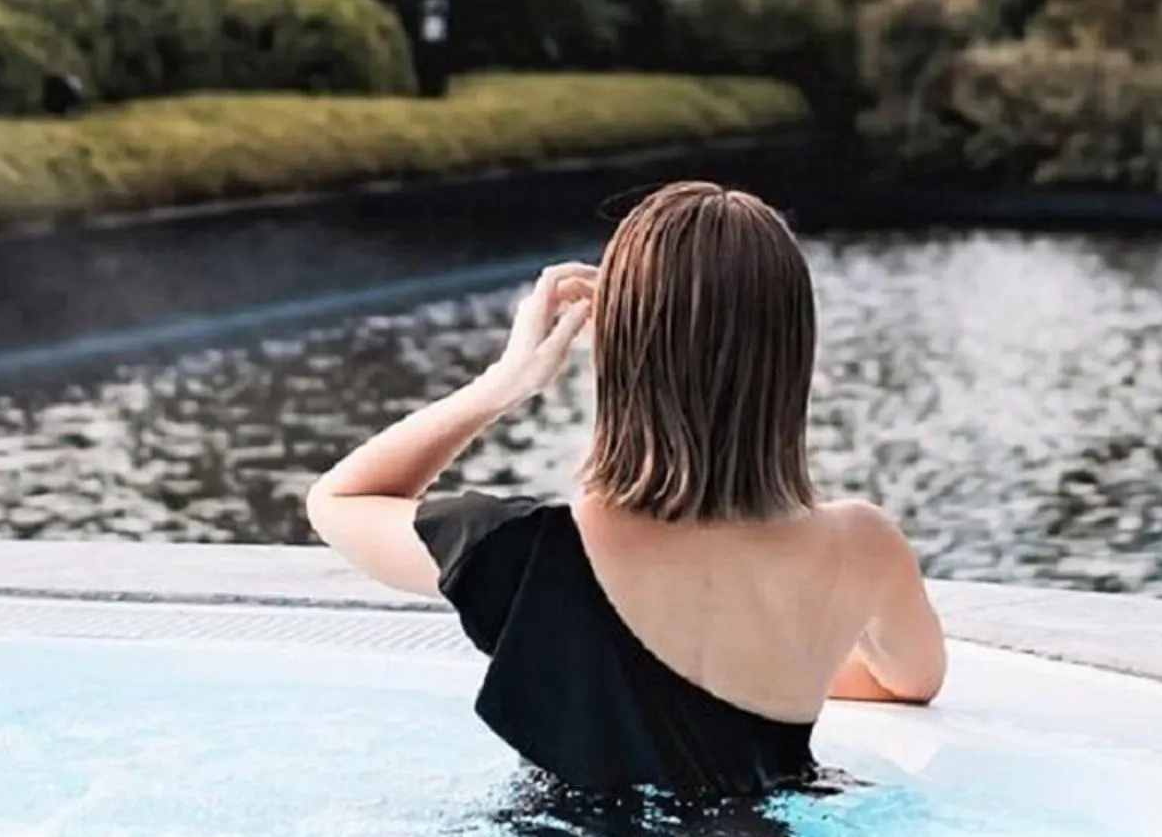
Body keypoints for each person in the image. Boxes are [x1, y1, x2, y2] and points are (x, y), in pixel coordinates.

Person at [306, 181, 947, 800]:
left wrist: (504, 382)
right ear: (791, 352)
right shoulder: (864, 548)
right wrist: (790, 668)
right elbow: (912, 682)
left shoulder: (526, 552)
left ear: (619, 350)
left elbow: (338, 502)